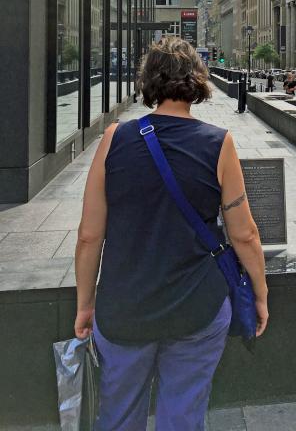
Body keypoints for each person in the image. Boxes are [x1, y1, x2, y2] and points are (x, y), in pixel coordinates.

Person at [74, 36, 268, 430]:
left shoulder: (114, 138)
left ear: (148, 81)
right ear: (197, 80)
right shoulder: (219, 143)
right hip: (197, 307)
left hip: (125, 306)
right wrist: (260, 295)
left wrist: (84, 304)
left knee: (118, 414)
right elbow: (244, 234)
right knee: (183, 415)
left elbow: (89, 236)